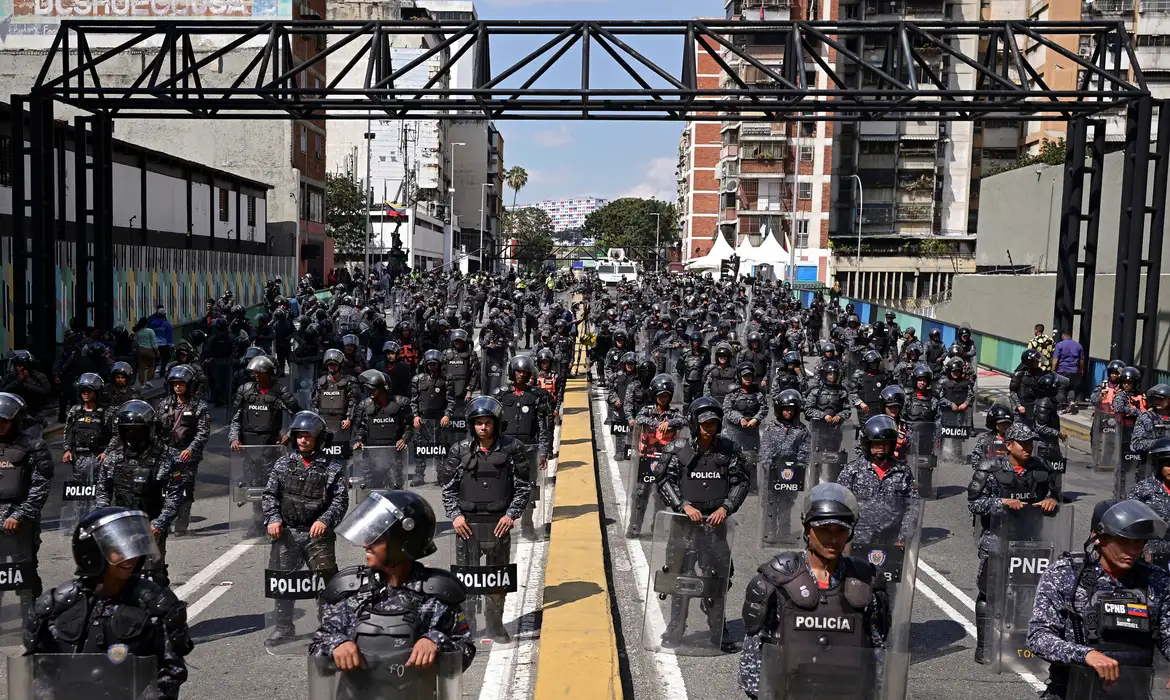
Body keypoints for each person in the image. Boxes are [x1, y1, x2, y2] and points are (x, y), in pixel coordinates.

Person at [23, 507, 194, 700]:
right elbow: (40, 669)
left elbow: (170, 670)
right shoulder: (56, 606)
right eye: (118, 550)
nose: (129, 557)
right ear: (93, 552)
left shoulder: (156, 604)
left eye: (133, 548)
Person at [309, 490, 475, 689]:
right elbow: (317, 646)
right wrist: (337, 644)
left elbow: (465, 651)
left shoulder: (435, 597)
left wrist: (436, 641)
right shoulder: (351, 591)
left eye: (376, 538)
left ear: (401, 543)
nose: (365, 544)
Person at [737, 483, 889, 699]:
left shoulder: (865, 582)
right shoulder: (777, 581)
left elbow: (877, 653)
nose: (833, 539)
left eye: (841, 531)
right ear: (808, 529)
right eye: (824, 530)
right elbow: (754, 658)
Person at [1028, 499, 1170, 699]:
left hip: (1132, 692)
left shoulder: (1157, 580)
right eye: (1123, 541)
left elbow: (1167, 635)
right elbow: (1039, 637)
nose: (1132, 550)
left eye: (1139, 542)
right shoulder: (1065, 574)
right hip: (1070, 691)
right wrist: (1085, 655)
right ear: (1098, 537)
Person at [654, 396, 749, 653]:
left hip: (715, 525)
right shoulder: (677, 449)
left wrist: (726, 507)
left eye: (714, 424)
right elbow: (663, 480)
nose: (710, 428)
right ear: (695, 423)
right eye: (705, 423)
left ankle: (718, 628)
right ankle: (676, 626)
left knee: (718, 577)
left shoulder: (729, 450)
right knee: (679, 575)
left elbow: (741, 481)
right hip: (685, 523)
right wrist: (683, 505)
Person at [967, 421, 1060, 663]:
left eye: (1031, 443)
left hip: (1030, 542)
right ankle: (985, 646)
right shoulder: (990, 468)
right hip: (997, 541)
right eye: (1023, 443)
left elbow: (1054, 495)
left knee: (1027, 594)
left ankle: (1020, 647)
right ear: (1009, 445)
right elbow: (974, 503)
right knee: (989, 593)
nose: (1029, 447)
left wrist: (1051, 501)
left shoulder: (1041, 468)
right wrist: (1001, 503)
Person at [441, 396, 532, 643]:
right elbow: (448, 488)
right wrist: (455, 516)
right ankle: (467, 627)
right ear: (472, 425)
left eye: (487, 423)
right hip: (466, 528)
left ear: (496, 423)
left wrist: (511, 514)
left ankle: (494, 626)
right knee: (467, 582)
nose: (483, 427)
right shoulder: (458, 451)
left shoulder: (513, 449)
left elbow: (523, 487)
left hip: (498, 527)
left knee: (496, 581)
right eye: (478, 423)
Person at [261, 411, 349, 647]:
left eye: (308, 437)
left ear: (318, 438)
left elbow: (340, 500)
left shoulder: (332, 468)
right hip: (287, 533)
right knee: (283, 582)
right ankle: (283, 627)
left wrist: (325, 521)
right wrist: (273, 519)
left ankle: (328, 628)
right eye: (299, 436)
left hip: (317, 536)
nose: (302, 441)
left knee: (326, 583)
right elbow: (270, 495)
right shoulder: (283, 463)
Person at [95, 400, 190, 587]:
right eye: (128, 430)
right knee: (116, 576)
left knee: (153, 578)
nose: (133, 434)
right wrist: (103, 520)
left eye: (138, 429)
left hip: (151, 525)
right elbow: (102, 491)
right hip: (119, 527)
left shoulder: (165, 457)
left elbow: (174, 495)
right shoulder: (113, 458)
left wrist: (159, 524)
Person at [0, 392, 53, 620]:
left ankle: (32, 624)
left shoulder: (34, 447)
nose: (0, 426)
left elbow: (40, 487)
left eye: (4, 421)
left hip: (20, 524)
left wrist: (19, 515)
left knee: (25, 575)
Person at [155, 365, 212, 537]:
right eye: (175, 384)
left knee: (185, 489)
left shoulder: (198, 406)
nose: (178, 386)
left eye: (181, 383)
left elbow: (203, 432)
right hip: (166, 453)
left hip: (187, 455)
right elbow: (156, 429)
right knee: (162, 488)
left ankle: (181, 525)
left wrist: (190, 450)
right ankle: (163, 522)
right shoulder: (165, 404)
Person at [1052, 330, 1084, 412]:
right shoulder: (1078, 345)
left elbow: (1055, 359)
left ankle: (1060, 405)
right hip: (1074, 371)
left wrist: (1053, 370)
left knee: (1061, 388)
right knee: (1071, 387)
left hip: (1063, 370)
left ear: (1063, 336)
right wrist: (1081, 370)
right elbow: (1081, 361)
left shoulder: (1059, 345)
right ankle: (1071, 402)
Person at [132, 317, 158, 389]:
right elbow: (154, 343)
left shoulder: (137, 331)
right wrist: (157, 351)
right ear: (146, 323)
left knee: (141, 367)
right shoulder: (150, 331)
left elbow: (135, 342)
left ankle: (142, 384)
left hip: (140, 351)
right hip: (149, 350)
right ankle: (148, 380)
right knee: (151, 366)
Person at [149, 307, 175, 372]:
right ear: (164, 315)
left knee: (155, 358)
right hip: (164, 344)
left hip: (154, 344)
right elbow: (169, 335)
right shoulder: (166, 324)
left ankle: (153, 370)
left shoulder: (152, 324)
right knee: (165, 359)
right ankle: (162, 371)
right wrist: (171, 344)